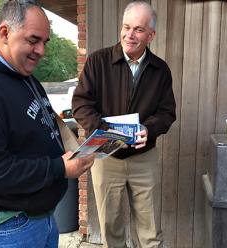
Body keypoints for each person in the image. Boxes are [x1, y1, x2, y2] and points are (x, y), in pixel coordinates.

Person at [0, 1, 94, 247]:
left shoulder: (24, 77)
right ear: (4, 33)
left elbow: (45, 126)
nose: (41, 51)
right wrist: (59, 168)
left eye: (44, 42)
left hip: (40, 217)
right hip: (6, 225)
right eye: (33, 40)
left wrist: (76, 151)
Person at [72, 1, 176, 247]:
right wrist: (106, 132)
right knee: (111, 230)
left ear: (151, 35)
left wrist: (149, 129)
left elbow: (167, 112)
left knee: (150, 233)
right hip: (107, 157)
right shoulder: (98, 61)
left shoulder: (160, 70)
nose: (129, 35)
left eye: (138, 29)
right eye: (126, 27)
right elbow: (80, 103)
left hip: (143, 158)